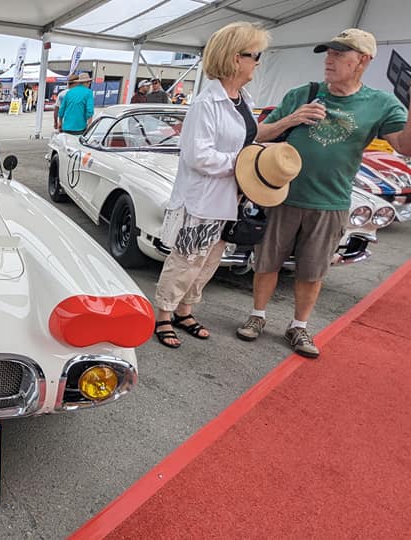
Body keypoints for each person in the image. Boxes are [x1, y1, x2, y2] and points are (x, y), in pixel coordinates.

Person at [237, 28, 411, 358]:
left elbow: (405, 146)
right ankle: (257, 317)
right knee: (267, 262)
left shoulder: (380, 103)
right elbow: (259, 135)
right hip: (283, 195)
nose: (329, 60)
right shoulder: (304, 93)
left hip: (331, 201)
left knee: (312, 271)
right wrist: (292, 118)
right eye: (328, 53)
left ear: (362, 61)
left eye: (338, 54)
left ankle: (298, 327)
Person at [152, 22, 271, 349]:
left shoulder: (242, 99)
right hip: (202, 199)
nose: (258, 62)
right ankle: (164, 313)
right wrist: (243, 164)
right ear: (236, 58)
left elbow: (249, 138)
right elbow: (196, 156)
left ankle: (186, 309)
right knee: (187, 258)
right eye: (255, 55)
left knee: (209, 259)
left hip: (229, 198)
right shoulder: (207, 103)